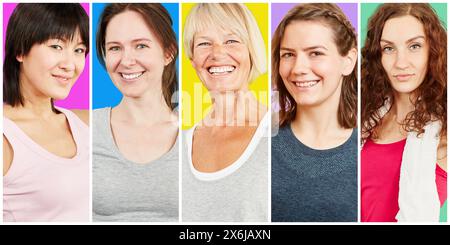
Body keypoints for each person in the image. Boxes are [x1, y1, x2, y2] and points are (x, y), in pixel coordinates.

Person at [271, 3, 358, 222]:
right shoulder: (259, 140)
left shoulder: (368, 148)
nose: (298, 68)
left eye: (316, 53)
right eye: (288, 54)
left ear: (348, 61)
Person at [182, 3, 268, 222]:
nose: (217, 53)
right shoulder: (180, 145)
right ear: (193, 61)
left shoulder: (286, 133)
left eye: (231, 40)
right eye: (204, 43)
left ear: (251, 51)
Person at [3, 3, 89, 222]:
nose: (70, 65)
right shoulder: (6, 138)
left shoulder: (86, 122)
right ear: (21, 50)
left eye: (78, 50)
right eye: (56, 47)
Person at [92, 3, 179, 222]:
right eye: (114, 48)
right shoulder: (86, 127)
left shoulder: (195, 132)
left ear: (168, 52)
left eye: (140, 46)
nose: (127, 61)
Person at [361, 3, 447, 222]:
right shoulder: (363, 120)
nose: (401, 63)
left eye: (414, 46)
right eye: (389, 48)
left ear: (433, 51)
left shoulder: (443, 132)